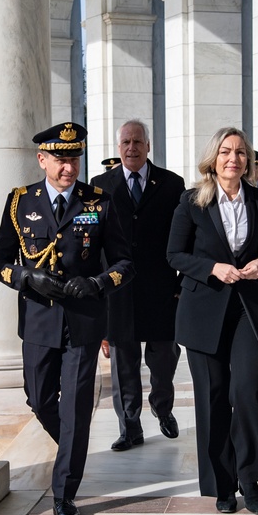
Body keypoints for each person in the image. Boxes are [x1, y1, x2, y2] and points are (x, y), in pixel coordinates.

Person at [0, 122, 134, 515]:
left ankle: (65, 493)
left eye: (73, 158)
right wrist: (26, 277)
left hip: (84, 322)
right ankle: (75, 447)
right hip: (38, 320)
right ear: (43, 160)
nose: (68, 167)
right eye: (60, 159)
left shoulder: (99, 202)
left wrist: (97, 282)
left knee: (74, 409)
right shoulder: (20, 202)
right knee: (39, 401)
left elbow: (125, 262)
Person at [167, 127, 258, 515]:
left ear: (248, 161)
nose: (234, 158)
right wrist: (213, 267)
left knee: (247, 392)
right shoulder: (191, 202)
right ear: (214, 158)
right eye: (226, 152)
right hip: (203, 312)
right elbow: (174, 255)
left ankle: (249, 478)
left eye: (241, 153)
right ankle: (222, 485)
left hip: (248, 308)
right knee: (212, 399)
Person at [91, 120, 186, 451]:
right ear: (119, 148)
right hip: (118, 291)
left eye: (137, 142)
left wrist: (180, 285)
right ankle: (129, 426)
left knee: (164, 359)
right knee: (123, 364)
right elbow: (96, 241)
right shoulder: (100, 184)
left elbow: (182, 237)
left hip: (160, 289)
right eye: (126, 142)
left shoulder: (172, 184)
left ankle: (163, 407)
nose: (131, 147)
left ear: (148, 146)